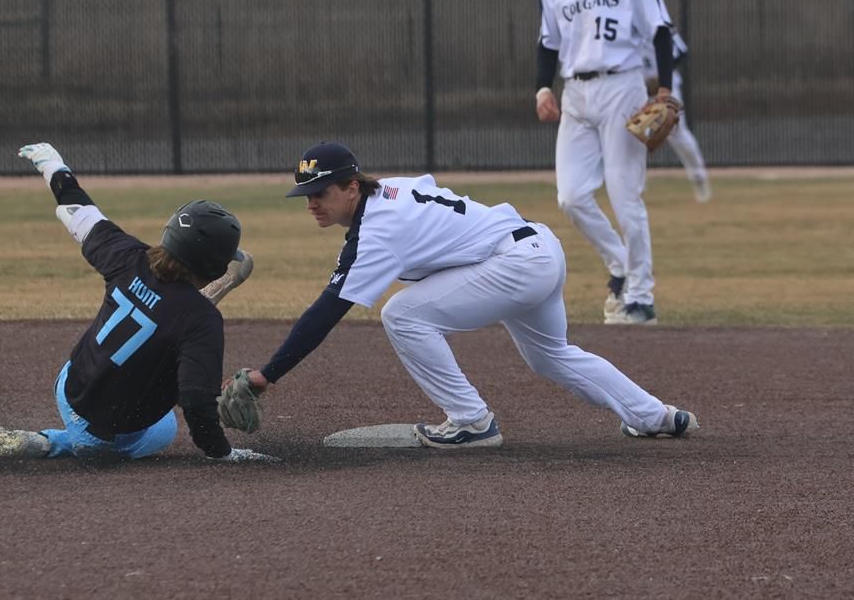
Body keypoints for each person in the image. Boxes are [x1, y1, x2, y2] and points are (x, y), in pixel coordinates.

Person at [230, 141, 698, 449]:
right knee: (550, 356)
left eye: (321, 192)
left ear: (352, 187)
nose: (312, 202)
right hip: (537, 248)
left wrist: (268, 375)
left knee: (403, 315)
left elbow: (327, 311)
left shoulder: (377, 231)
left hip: (514, 263)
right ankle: (656, 416)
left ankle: (471, 421)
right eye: (306, 194)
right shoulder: (392, 189)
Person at [0, 142, 275, 464]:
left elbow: (77, 212)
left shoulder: (129, 257)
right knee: (161, 424)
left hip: (68, 387)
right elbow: (194, 401)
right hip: (107, 433)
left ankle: (172, 317)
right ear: (213, 266)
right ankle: (51, 443)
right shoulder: (203, 321)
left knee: (164, 330)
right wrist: (223, 453)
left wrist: (51, 164)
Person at [534, 0, 677, 326]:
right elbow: (547, 43)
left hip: (622, 87)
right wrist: (542, 88)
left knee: (624, 194)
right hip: (576, 92)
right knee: (571, 196)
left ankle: (641, 297)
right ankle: (621, 265)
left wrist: (665, 89)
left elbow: (661, 32)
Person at [640, 0, 712, 204]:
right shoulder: (622, 23)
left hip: (664, 89)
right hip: (633, 89)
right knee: (630, 139)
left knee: (678, 135)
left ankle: (699, 178)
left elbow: (680, 52)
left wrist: (662, 79)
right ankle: (633, 189)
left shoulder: (659, 22)